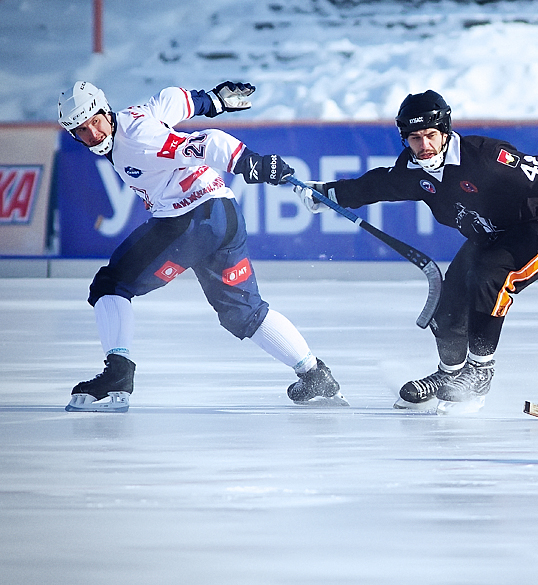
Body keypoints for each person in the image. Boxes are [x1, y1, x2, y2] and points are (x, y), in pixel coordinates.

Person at [296, 89, 538, 413]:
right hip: (491, 237)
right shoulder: (415, 170)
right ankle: (449, 375)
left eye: (431, 135)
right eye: (415, 138)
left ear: (445, 131)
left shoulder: (485, 157)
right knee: (448, 306)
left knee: (489, 275)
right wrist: (330, 194)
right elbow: (379, 185)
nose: (424, 145)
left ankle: (479, 374)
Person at [58, 80, 344, 412]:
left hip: (188, 222)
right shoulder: (136, 117)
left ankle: (117, 375)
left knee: (111, 284)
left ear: (106, 112)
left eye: (96, 122)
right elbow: (171, 101)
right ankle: (314, 374)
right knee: (243, 312)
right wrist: (210, 100)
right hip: (224, 214)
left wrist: (251, 163)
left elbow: (208, 142)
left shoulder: (138, 140)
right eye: (82, 130)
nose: (94, 134)